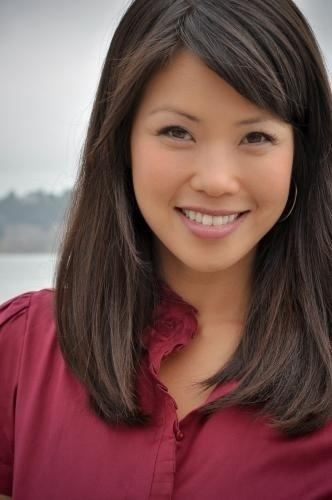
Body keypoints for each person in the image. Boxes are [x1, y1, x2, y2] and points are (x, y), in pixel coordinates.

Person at [1, 0, 331, 498]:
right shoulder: (20, 351)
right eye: (177, 132)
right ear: (122, 142)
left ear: (300, 156)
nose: (217, 180)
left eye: (256, 136)